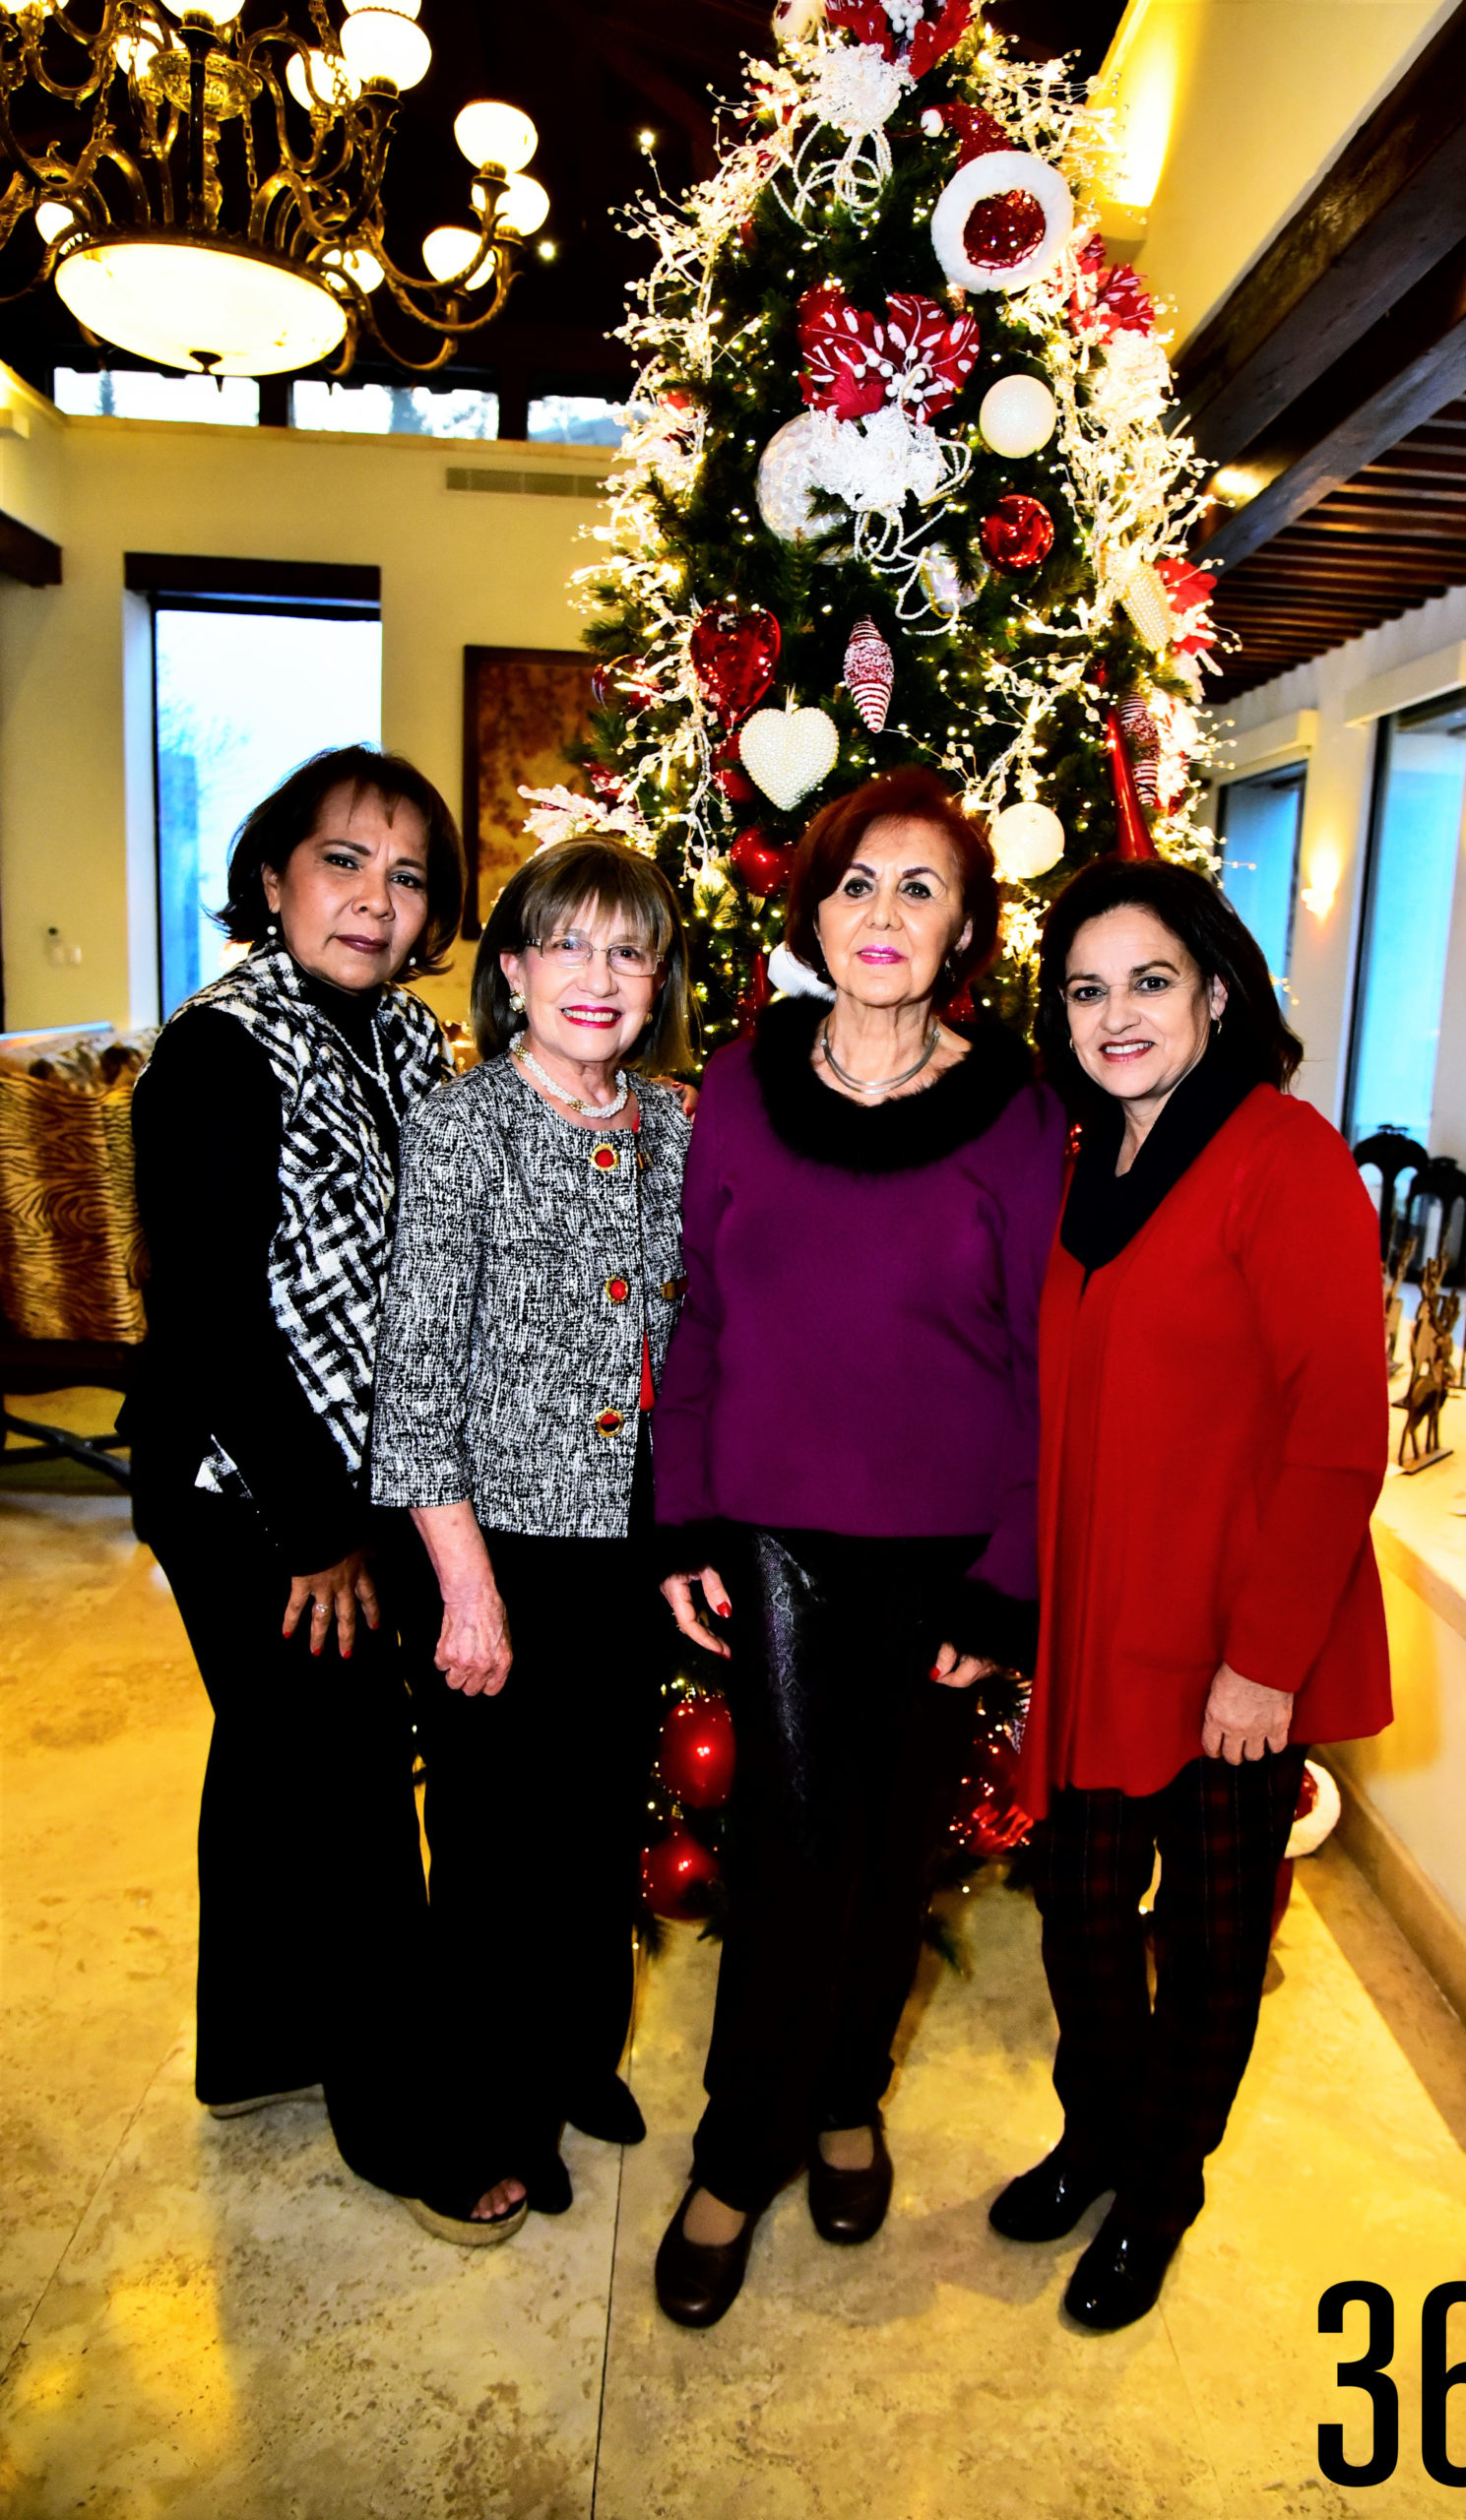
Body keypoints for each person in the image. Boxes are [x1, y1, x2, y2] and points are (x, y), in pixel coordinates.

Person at [651, 766, 1066, 2327]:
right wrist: (681, 1510)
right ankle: (736, 2150)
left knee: (894, 1859)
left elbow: (1048, 1366)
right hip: (770, 1539)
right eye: (854, 886)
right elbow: (697, 1311)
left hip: (946, 1555)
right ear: (810, 912)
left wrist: (1007, 1577)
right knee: (793, 1853)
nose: (881, 915)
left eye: (917, 888)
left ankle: (846, 2099)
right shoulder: (745, 1085)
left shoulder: (1018, 1114)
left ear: (961, 924)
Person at [125, 745, 526, 2242]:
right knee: (352, 1781)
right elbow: (215, 1324)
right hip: (256, 1489)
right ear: (275, 874)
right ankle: (400, 2120)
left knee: (274, 1753)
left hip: (362, 1471)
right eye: (345, 861)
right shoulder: (223, 1049)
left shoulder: (408, 1044)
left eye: (408, 872)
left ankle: (257, 2047)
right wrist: (325, 1536)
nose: (374, 898)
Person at [995, 855, 1392, 2331]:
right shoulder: (1074, 1163)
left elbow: (1340, 1429)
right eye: (1085, 990)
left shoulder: (1283, 1156)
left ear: (1215, 993)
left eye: (1148, 981)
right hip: (1100, 1626)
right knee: (1082, 1915)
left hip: (1232, 1641)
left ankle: (1160, 2184)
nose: (1116, 1015)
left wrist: (1267, 1662)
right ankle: (1096, 2133)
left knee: (1215, 1942)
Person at [369, 838, 693, 2219]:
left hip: (633, 1550)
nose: (597, 977)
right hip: (493, 1551)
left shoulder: (677, 1127)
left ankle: (576, 2059)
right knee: (496, 1855)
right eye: (567, 945)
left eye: (627, 950)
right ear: (511, 969)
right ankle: (491, 2114)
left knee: (592, 1827)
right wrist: (466, 1591)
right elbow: (414, 1379)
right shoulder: (459, 1129)